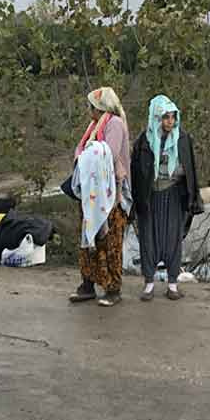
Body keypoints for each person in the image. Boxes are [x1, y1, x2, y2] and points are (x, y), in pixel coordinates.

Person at [131, 95, 203, 301]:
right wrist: (135, 201)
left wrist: (192, 197)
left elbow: (190, 170)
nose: (170, 121)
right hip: (150, 195)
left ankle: (172, 284)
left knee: (172, 238)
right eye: (165, 117)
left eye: (173, 116)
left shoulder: (182, 139)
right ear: (156, 118)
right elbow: (136, 172)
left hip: (173, 195)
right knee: (148, 238)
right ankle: (149, 283)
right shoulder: (144, 141)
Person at [68, 87, 132, 307]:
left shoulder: (114, 124)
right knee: (88, 238)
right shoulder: (94, 126)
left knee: (110, 239)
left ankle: (113, 288)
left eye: (91, 106)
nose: (89, 110)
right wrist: (83, 158)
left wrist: (88, 154)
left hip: (110, 193)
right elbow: (80, 149)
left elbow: (108, 154)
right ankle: (88, 283)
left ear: (99, 107)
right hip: (91, 193)